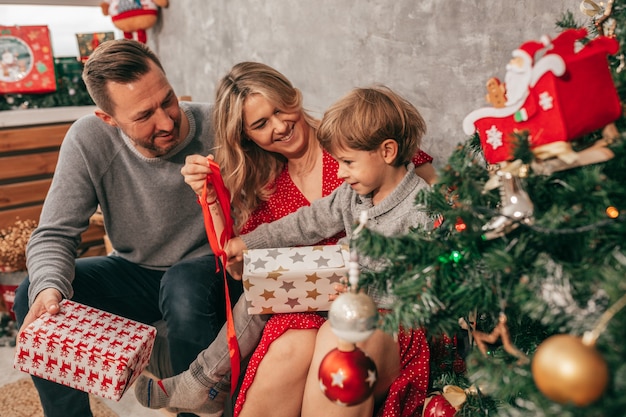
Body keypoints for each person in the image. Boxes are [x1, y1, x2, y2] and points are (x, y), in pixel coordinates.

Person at [134, 72, 433, 417]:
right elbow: (304, 224)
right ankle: (202, 380)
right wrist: (242, 239)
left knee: (318, 333)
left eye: (280, 110)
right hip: (327, 291)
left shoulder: (363, 148)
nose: (278, 126)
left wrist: (364, 292)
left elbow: (427, 273)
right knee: (261, 288)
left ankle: (202, 382)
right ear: (247, 137)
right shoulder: (348, 188)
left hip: (373, 302)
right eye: (261, 123)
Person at [12, 39, 242, 417]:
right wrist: (49, 289)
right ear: (109, 119)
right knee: (31, 296)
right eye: (144, 115)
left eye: (168, 100)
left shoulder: (219, 124)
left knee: (182, 283)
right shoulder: (89, 139)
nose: (168, 121)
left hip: (210, 271)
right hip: (138, 272)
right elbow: (54, 232)